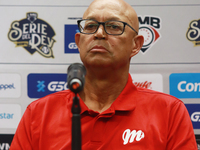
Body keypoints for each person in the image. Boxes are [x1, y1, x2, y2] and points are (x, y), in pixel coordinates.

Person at [10, 0, 197, 149]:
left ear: (136, 45)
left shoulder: (170, 112)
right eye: (90, 26)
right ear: (78, 41)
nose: (99, 33)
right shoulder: (39, 114)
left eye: (114, 26)